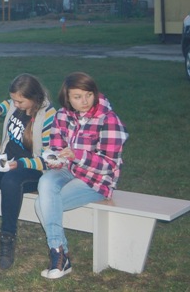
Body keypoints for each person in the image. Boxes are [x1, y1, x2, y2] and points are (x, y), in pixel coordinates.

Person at [35, 72, 128, 279]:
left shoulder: (108, 119)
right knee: (46, 180)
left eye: (88, 95)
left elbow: (109, 164)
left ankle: (59, 254)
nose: (84, 101)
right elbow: (56, 147)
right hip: (69, 169)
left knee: (42, 204)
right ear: (67, 98)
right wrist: (55, 159)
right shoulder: (62, 115)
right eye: (77, 97)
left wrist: (78, 155)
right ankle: (61, 255)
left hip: (97, 180)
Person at [0, 73, 56, 269]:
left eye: (20, 101)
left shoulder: (49, 116)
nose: (15, 104)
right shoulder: (15, 103)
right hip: (8, 162)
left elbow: (48, 160)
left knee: (10, 182)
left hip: (32, 169)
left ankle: (7, 237)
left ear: (34, 98)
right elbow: (2, 106)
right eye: (14, 100)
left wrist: (20, 164)